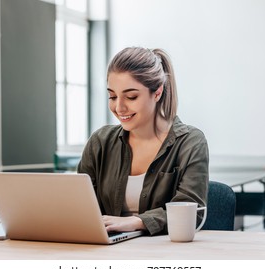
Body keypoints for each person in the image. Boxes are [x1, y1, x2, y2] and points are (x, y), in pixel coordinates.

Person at [77, 47, 209, 236]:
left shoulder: (190, 143)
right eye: (112, 96)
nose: (119, 107)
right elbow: (80, 208)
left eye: (131, 96)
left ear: (157, 93)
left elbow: (191, 213)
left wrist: (136, 222)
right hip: (105, 250)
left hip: (165, 253)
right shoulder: (100, 142)